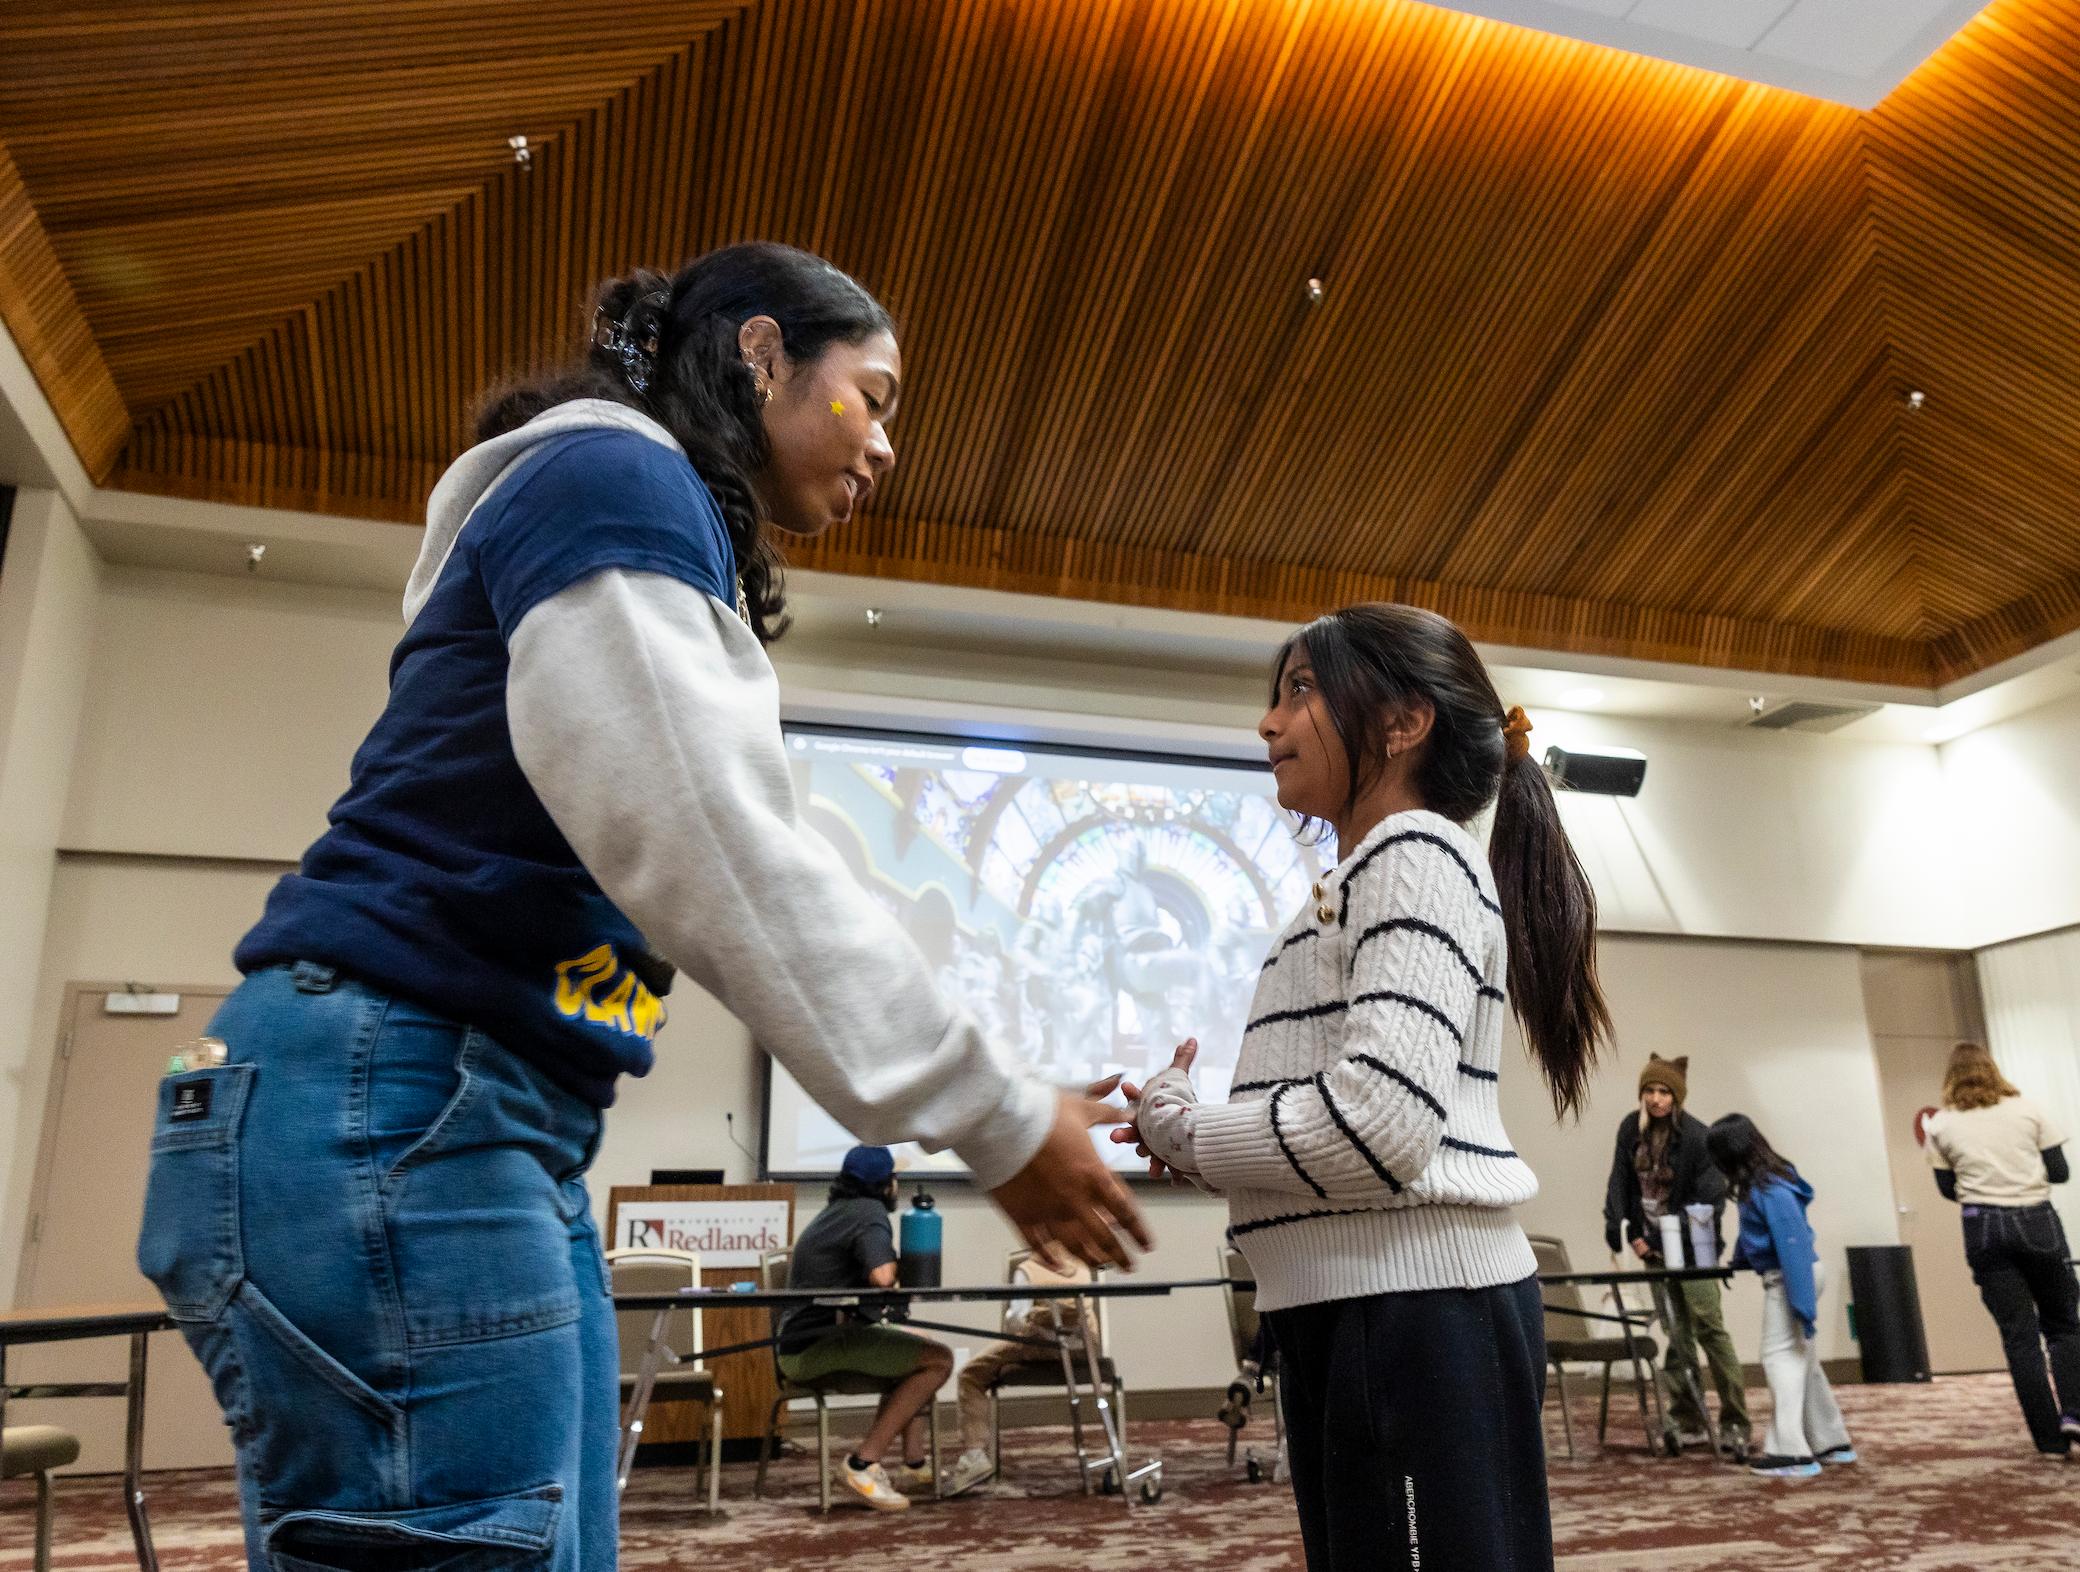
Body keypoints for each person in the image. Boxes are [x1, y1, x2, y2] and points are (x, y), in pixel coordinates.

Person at [133, 242, 1147, 1572]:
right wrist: (993, 1110)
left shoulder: (624, 501)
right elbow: (708, 830)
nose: (887, 444)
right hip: (397, 1097)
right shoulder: (612, 476)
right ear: (763, 354)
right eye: (875, 395)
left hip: (466, 1113)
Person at [1119, 603, 1613, 1572]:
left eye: (1301, 690)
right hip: (1373, 1313)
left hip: (1411, 1313)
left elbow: (1375, 1127)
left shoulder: (1413, 855)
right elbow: (1353, 1127)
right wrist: (1190, 1129)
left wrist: (1185, 1129)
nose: (1269, 722)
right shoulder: (1375, 873)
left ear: (1402, 723)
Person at [1923, 1041, 2080, 1459]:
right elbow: (2060, 1172)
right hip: (2037, 1220)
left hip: (1983, 1227)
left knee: (2019, 1338)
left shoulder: (1941, 1124)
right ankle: (2075, 1413)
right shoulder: (2028, 1110)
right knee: (2063, 1324)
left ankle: (2049, 1441)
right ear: (1993, 1070)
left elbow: (1946, 1188)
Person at [779, 1147, 953, 1511]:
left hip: (802, 1341)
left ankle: (914, 1464)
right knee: (939, 1361)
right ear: (886, 1184)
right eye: (894, 1178)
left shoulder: (840, 1211)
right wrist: (908, 1262)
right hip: (815, 1347)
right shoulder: (869, 1213)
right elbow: (882, 1277)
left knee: (920, 1347)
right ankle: (861, 1465)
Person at [1602, 1054, 1751, 1457]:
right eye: (1649, 1090)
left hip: (1694, 1251)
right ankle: (1688, 1419)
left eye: (1664, 1092)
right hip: (1652, 1251)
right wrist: (1626, 1231)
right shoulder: (1630, 1129)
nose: (1655, 1099)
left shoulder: (1699, 1137)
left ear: (1677, 1096)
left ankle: (1735, 1422)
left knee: (1709, 1330)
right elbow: (1620, 1182)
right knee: (1676, 1334)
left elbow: (1711, 1201)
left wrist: (1663, 1235)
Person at [1704, 1114, 1853, 1480]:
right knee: (1802, 1359)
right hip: (1794, 1274)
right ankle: (1829, 1440)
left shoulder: (1769, 1190)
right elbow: (1759, 1233)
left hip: (1790, 1277)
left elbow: (1791, 1244)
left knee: (1778, 1358)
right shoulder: (1765, 1184)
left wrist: (1804, 1307)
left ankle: (1790, 1451)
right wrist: (1740, 1261)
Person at [940, 1250, 1097, 1497]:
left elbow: (1015, 1323)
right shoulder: (1083, 1264)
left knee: (970, 1374)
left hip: (1040, 1347)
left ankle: (974, 1455)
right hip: (1085, 1350)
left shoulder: (1028, 1270)